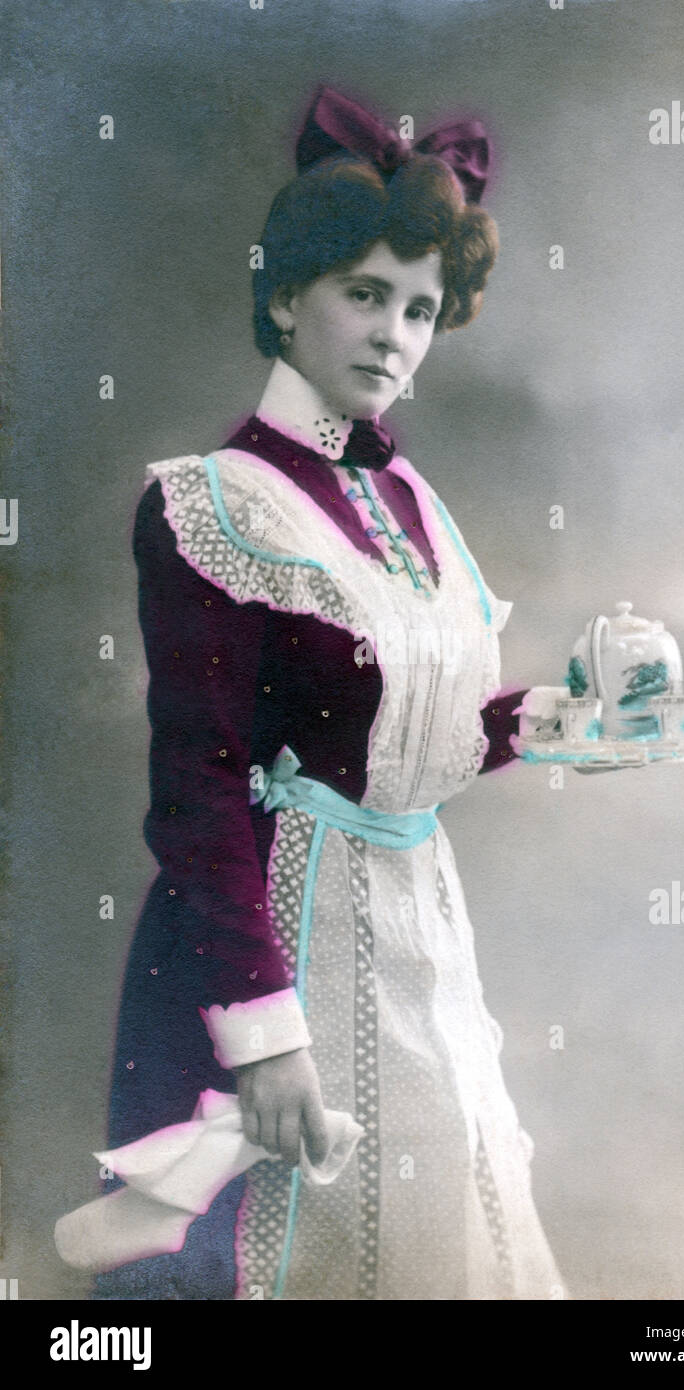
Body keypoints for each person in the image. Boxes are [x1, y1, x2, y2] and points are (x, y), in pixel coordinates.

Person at [93, 86, 569, 1301]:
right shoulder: (212, 502)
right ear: (285, 295)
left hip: (419, 938)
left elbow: (411, 743)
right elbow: (196, 793)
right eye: (363, 294)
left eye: (417, 308)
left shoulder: (408, 498)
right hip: (268, 948)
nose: (392, 336)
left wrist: (555, 720)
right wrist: (264, 1038)